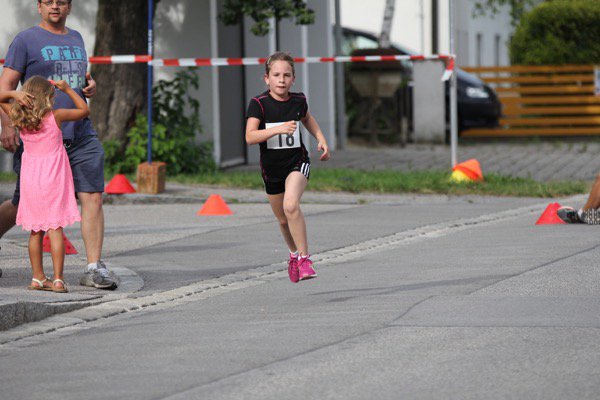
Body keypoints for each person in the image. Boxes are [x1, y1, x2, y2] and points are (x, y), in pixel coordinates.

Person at [0, 0, 118, 289]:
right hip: (42, 142)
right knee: (21, 205)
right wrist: (7, 125)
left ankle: (93, 268)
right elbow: (5, 90)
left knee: (92, 194)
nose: (55, 6)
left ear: (69, 7)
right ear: (39, 7)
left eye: (61, 2)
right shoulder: (25, 40)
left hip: (80, 134)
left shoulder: (77, 38)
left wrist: (90, 86)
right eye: (49, 2)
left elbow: (79, 80)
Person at [245, 52, 330, 283]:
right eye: (276, 75)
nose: (281, 80)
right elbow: (250, 136)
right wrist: (277, 129)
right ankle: (293, 254)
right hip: (272, 170)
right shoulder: (259, 104)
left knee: (291, 205)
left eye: (286, 75)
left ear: (293, 79)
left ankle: (304, 258)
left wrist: (320, 138)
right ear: (266, 79)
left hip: (297, 162)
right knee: (283, 220)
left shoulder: (298, 101)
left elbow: (307, 119)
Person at [0, 77, 87, 292]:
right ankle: (58, 279)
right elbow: (84, 110)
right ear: (49, 97)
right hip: (54, 180)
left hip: (31, 181)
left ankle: (37, 278)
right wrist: (68, 89)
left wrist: (12, 94)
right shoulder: (56, 117)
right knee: (55, 229)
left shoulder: (18, 116)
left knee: (35, 231)